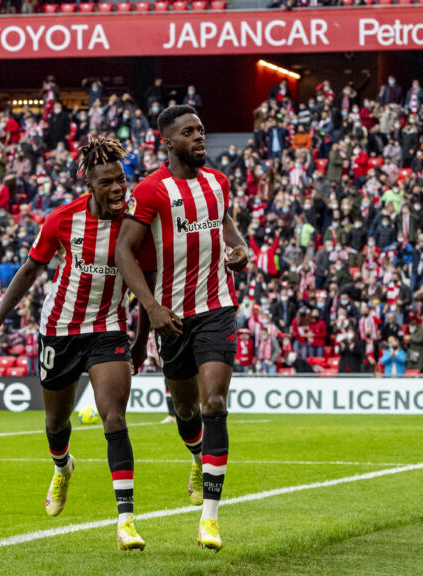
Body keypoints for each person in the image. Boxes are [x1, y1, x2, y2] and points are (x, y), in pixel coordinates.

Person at [0, 137, 146, 551]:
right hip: (60, 329)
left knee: (114, 419)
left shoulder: (138, 221)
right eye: (107, 182)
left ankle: (126, 521)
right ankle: (63, 467)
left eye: (121, 179)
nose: (118, 188)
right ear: (90, 184)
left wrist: (141, 338)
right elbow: (29, 271)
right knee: (55, 424)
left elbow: (152, 277)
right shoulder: (62, 220)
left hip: (108, 328)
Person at [115, 105, 249, 551]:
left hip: (217, 307)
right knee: (187, 412)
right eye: (189, 132)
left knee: (214, 402)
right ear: (167, 142)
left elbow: (227, 223)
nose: (199, 138)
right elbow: (124, 253)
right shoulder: (151, 191)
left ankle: (210, 518)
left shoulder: (219, 182)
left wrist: (239, 247)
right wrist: (150, 308)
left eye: (202, 130)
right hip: (170, 316)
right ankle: (196, 457)